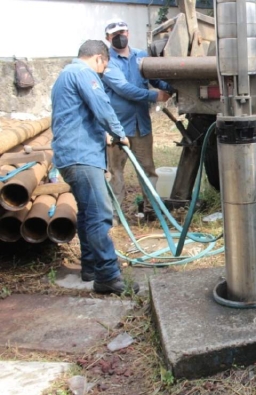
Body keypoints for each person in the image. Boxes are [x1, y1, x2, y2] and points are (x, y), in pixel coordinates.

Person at [51, 40, 140, 295]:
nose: (102, 72)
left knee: (87, 214)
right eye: (104, 67)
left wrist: (102, 134)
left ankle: (90, 267)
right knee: (100, 215)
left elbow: (74, 114)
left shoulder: (65, 75)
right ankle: (108, 277)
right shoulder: (83, 73)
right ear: (100, 58)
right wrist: (120, 134)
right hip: (82, 156)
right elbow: (102, 107)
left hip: (71, 155)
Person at [101, 18, 173, 220]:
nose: (120, 37)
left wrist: (171, 85)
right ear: (108, 38)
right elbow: (123, 88)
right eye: (115, 35)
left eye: (123, 32)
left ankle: (151, 211)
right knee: (116, 172)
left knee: (148, 170)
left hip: (141, 126)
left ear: (128, 33)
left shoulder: (141, 56)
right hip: (118, 128)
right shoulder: (107, 62)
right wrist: (155, 95)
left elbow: (155, 78)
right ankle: (114, 215)